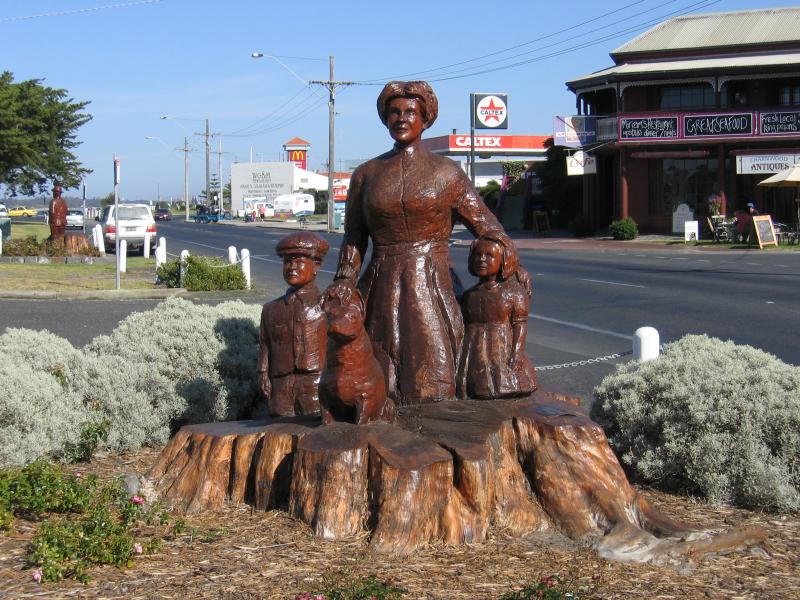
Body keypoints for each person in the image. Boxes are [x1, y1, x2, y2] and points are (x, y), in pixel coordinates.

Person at [327, 81, 520, 406]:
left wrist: (509, 267)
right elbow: (355, 237)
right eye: (394, 113)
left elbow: (487, 226)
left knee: (435, 369)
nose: (402, 119)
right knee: (377, 368)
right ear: (385, 119)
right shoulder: (366, 174)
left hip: (433, 281)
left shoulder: (447, 173)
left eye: (410, 112)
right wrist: (345, 280)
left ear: (425, 119)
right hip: (381, 282)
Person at [257, 232, 330, 417]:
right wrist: (263, 373)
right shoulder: (271, 309)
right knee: (279, 431)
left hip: (316, 383)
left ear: (316, 266)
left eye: (299, 262)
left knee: (315, 431)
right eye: (287, 262)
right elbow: (266, 343)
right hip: (281, 384)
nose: (292, 267)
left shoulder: (327, 305)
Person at [457, 236, 537, 400]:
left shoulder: (513, 293)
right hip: (474, 349)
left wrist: (516, 352)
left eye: (489, 255)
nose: (482, 260)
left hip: (501, 348)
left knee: (502, 385)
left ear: (503, 261)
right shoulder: (468, 295)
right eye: (478, 255)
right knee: (476, 388)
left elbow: (519, 325)